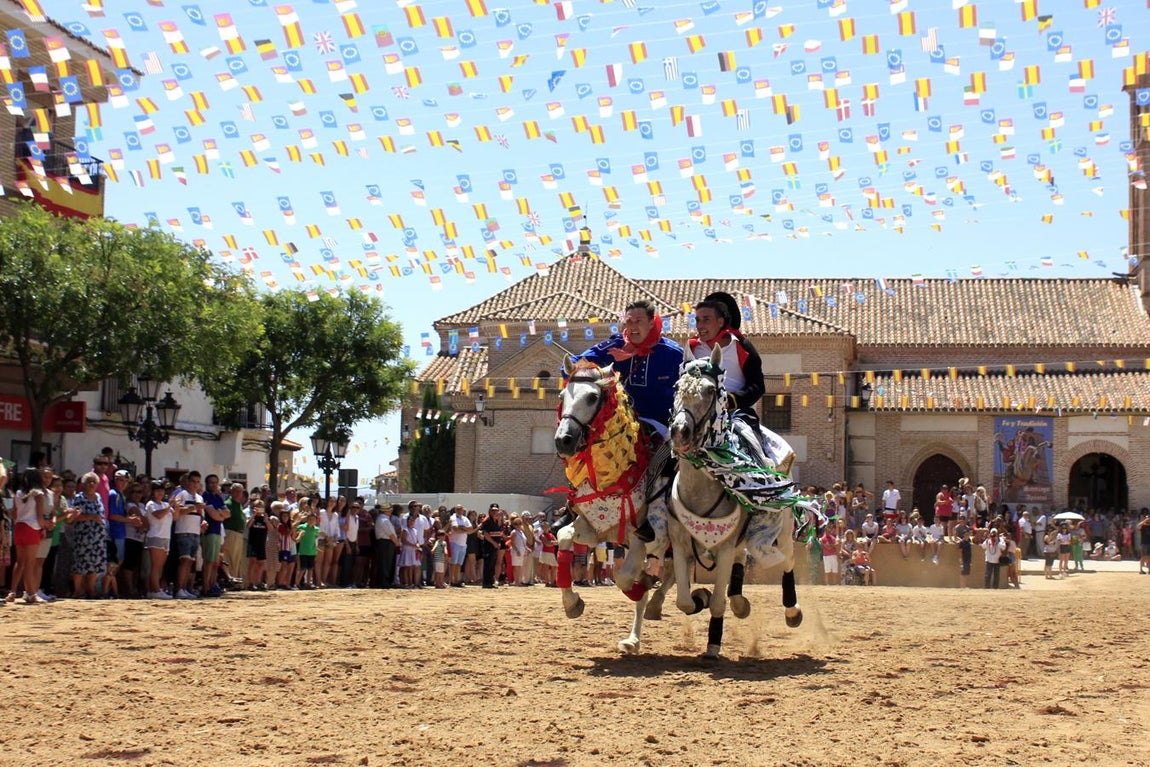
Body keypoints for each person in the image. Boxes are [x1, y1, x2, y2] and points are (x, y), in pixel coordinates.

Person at [573, 299, 684, 435]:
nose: (633, 327)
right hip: (618, 427)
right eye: (629, 322)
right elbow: (575, 363)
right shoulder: (616, 346)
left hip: (662, 429)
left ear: (651, 323)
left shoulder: (673, 353)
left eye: (638, 321)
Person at [689, 291, 766, 440]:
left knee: (755, 448)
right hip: (696, 416)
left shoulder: (741, 346)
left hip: (737, 415)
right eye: (697, 320)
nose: (700, 325)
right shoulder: (692, 348)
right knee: (667, 450)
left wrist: (729, 401)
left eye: (706, 319)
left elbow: (757, 386)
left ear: (720, 322)